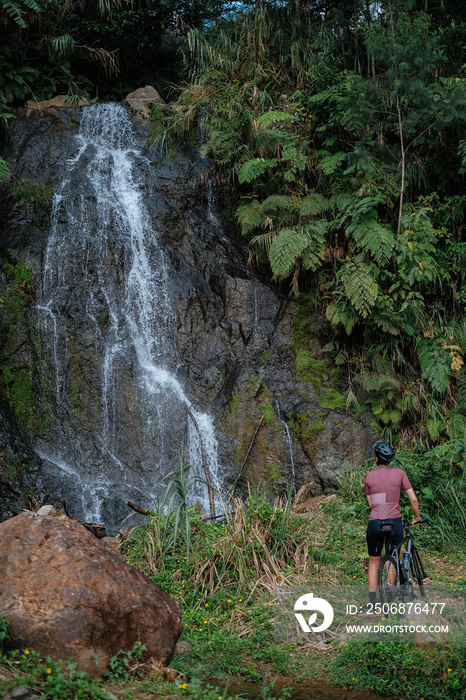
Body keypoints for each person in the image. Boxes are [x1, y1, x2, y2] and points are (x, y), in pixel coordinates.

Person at [364, 442, 421, 605]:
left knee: (374, 561)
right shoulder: (400, 473)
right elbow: (413, 499)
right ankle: (389, 599)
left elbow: (372, 503)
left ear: (376, 458)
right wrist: (416, 517)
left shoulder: (368, 476)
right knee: (392, 558)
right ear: (390, 459)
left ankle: (372, 602)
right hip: (394, 523)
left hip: (375, 523)